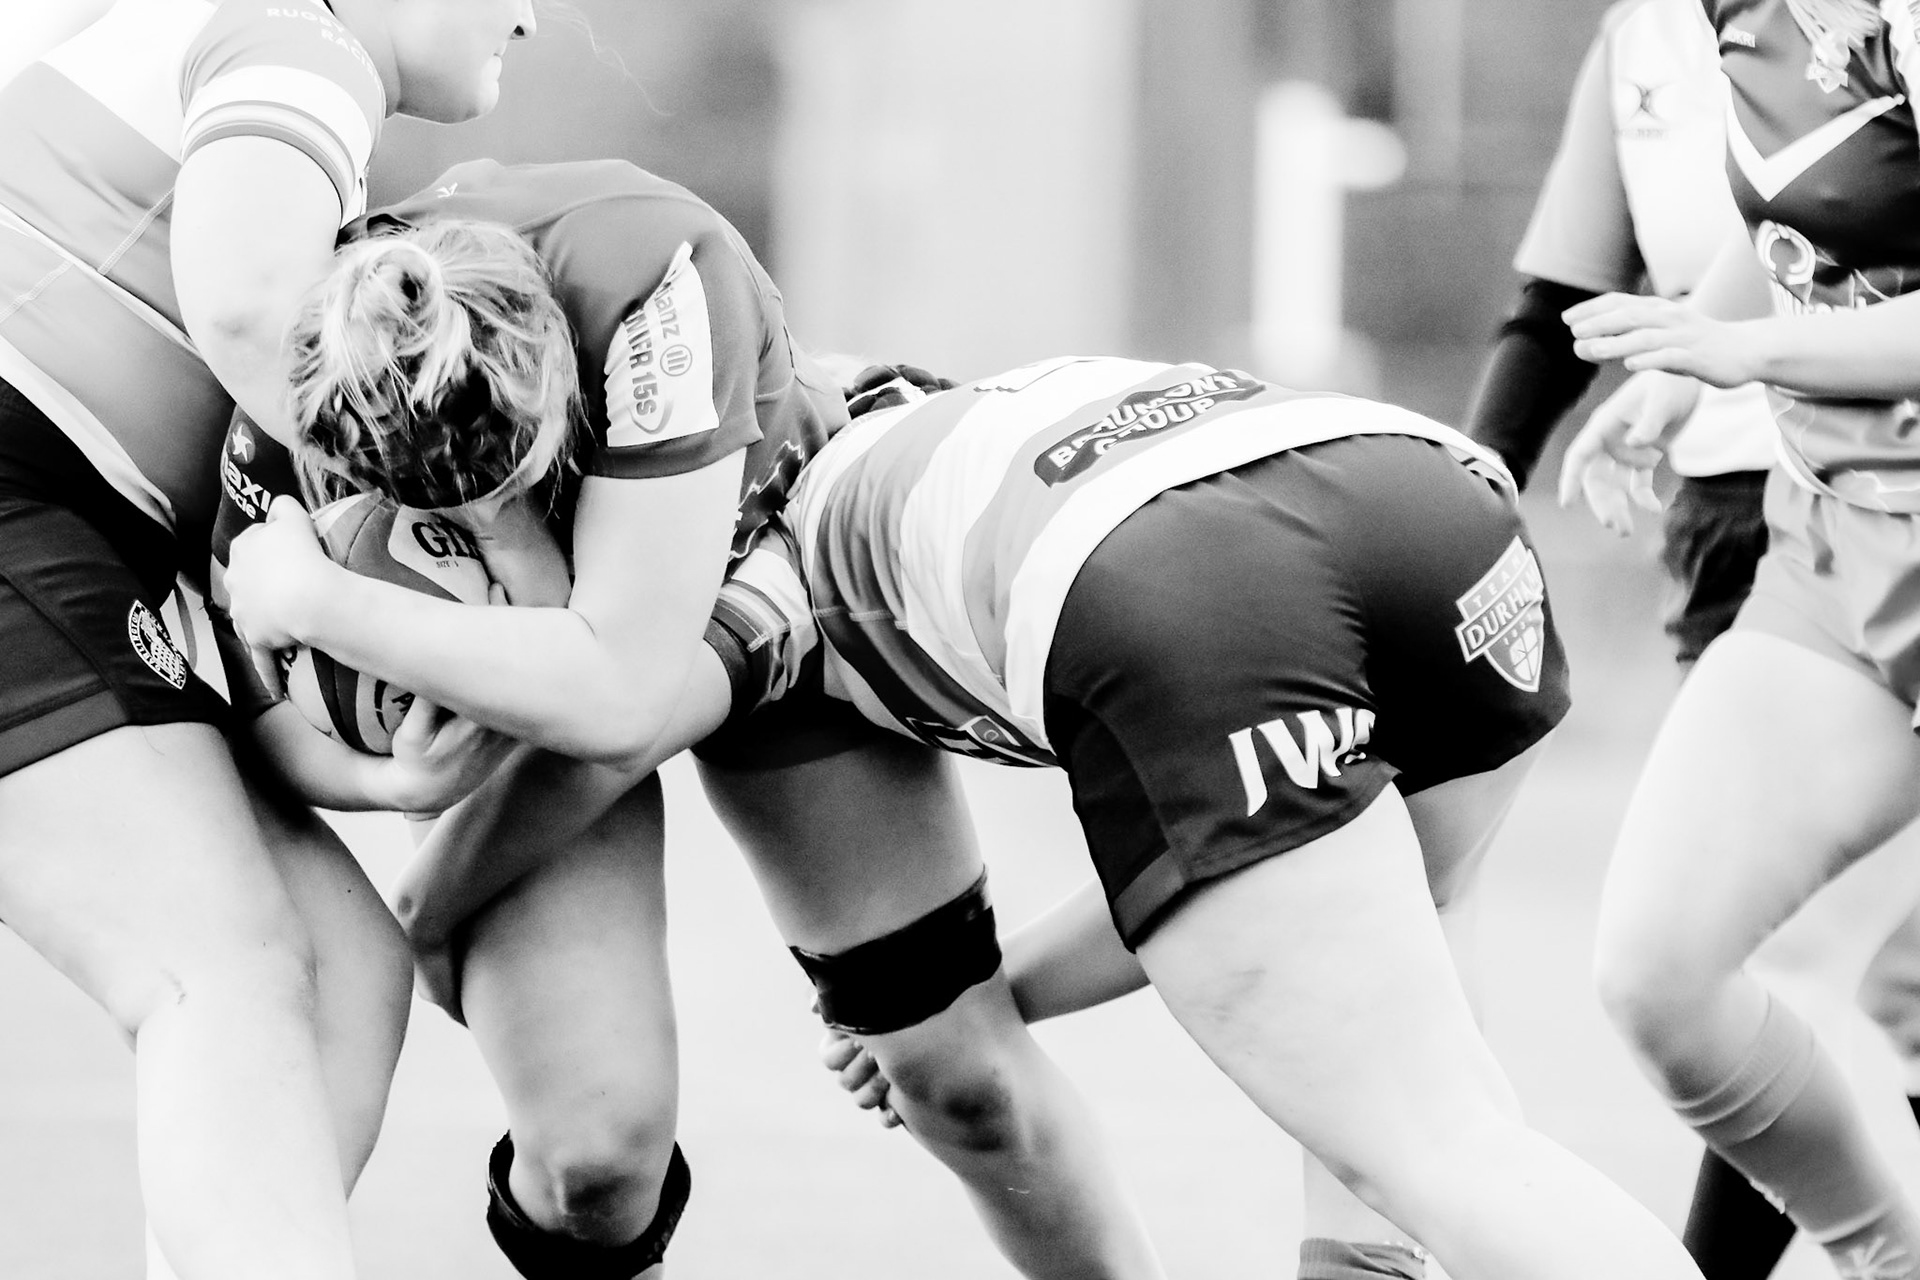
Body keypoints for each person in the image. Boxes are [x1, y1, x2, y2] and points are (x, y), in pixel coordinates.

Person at [271, 329, 1717, 1277]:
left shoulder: (763, 561)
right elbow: (1219, 871)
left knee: (1432, 1146)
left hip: (1188, 576)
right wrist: (998, 987)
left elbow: (609, 730)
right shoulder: (922, 417)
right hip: (1427, 506)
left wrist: (414, 900)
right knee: (1409, 1106)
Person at [219, 161, 1167, 1280]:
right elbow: (254, 714)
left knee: (957, 1073)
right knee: (592, 1160)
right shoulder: (298, 381)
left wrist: (335, 614)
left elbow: (618, 699)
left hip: (767, 569)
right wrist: (396, 784)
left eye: (508, 492)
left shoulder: (655, 278)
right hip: (535, 695)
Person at [0, 2, 540, 1278]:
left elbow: (220, 565)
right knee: (224, 966)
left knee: (344, 967)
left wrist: (367, 773)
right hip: (19, 487)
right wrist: (478, 514)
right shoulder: (303, 37)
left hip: (57, 519)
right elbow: (249, 315)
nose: (526, 14)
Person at [1464, 1, 1920, 1273]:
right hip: (1837, 545)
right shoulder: (1725, 18)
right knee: (1661, 974)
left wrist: (1740, 351)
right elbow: (1799, 219)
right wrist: (1667, 376)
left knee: (1904, 988)